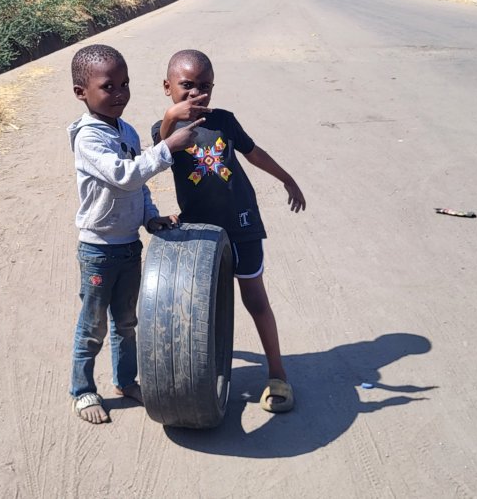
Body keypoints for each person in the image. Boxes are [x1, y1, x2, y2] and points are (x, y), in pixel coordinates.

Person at [152, 49, 307, 413]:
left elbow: (253, 153)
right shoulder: (164, 129)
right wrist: (170, 119)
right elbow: (156, 157)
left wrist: (287, 179)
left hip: (242, 224)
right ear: (167, 87)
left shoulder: (224, 121)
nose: (196, 94)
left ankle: (278, 374)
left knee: (255, 299)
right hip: (200, 234)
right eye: (187, 85)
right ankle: (203, 371)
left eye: (205, 86)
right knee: (202, 305)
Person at [67, 44, 203, 424]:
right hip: (98, 250)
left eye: (125, 84)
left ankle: (125, 381)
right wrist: (166, 148)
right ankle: (82, 391)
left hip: (129, 246)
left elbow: (139, 186)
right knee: (92, 326)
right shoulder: (88, 138)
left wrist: (150, 218)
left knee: (126, 323)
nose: (120, 94)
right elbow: (124, 176)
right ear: (81, 92)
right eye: (108, 87)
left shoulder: (125, 130)